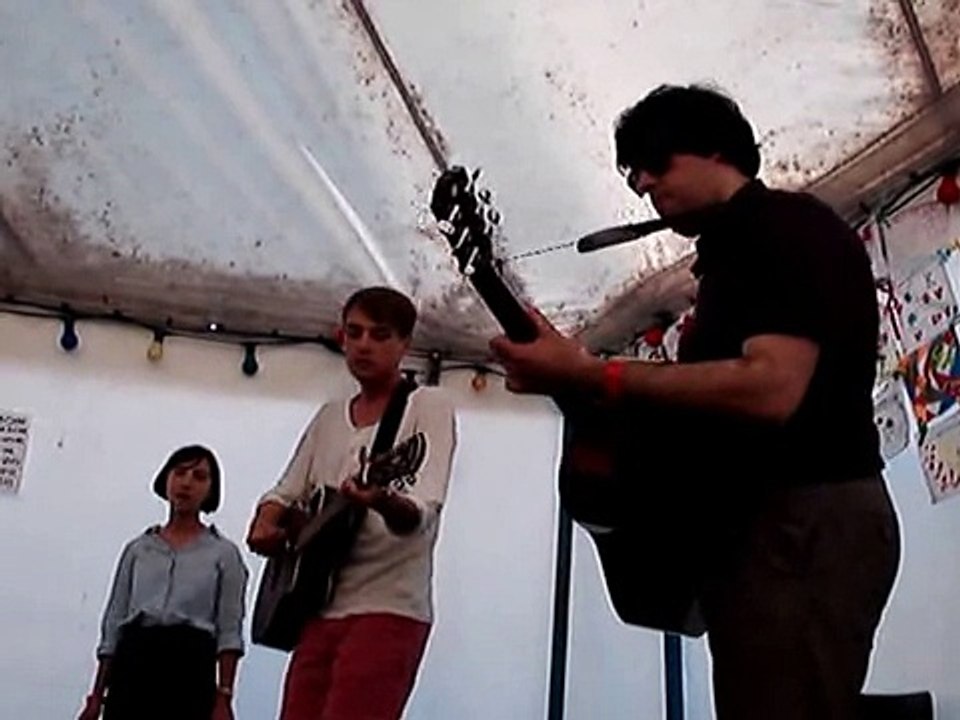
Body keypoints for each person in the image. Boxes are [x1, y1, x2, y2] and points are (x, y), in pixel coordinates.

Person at [490, 84, 901, 720]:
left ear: (717, 148)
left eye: (656, 161)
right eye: (633, 175)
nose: (644, 182)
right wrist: (576, 378)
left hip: (805, 523)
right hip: (778, 527)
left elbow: (770, 388)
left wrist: (596, 375)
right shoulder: (737, 251)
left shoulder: (780, 227)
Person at [246, 286, 457, 720]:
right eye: (354, 333)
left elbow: (421, 512)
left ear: (405, 344)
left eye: (379, 335)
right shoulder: (328, 416)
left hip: (389, 607)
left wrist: (380, 500)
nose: (363, 344)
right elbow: (284, 492)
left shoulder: (428, 407)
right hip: (318, 605)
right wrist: (267, 522)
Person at [78, 444, 249, 720]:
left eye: (199, 476)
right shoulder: (138, 549)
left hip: (190, 665)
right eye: (180, 473)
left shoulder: (224, 554)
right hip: (135, 661)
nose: (187, 483)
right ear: (166, 479)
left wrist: (224, 697)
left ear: (211, 490)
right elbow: (114, 622)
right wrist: (96, 696)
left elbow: (230, 630)